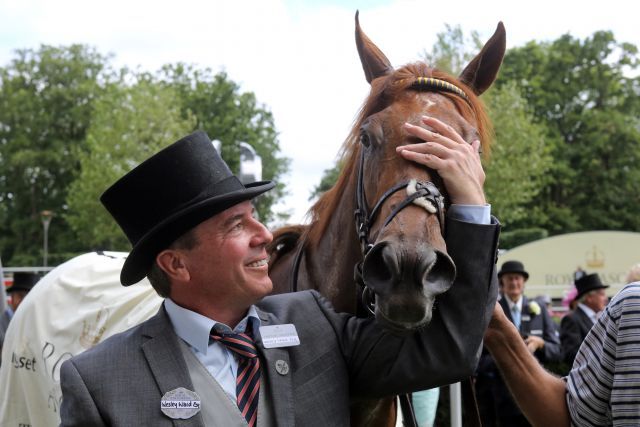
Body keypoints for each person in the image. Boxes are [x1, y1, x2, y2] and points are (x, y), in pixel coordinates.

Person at [59, 123, 500, 426]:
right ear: (175, 263)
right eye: (236, 225)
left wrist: (471, 207)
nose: (264, 235)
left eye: (255, 216)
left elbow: (450, 350)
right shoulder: (99, 381)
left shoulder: (312, 322)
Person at [475, 260, 561, 427]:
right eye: (510, 278)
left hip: (537, 393)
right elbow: (478, 358)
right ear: (502, 282)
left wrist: (540, 344)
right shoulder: (491, 310)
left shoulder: (539, 309)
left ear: (524, 282)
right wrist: (508, 353)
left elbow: (557, 350)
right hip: (499, 397)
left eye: (518, 278)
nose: (514, 282)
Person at [559, 273, 608, 365]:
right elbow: (571, 355)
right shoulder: (571, 319)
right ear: (589, 298)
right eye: (602, 294)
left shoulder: (600, 316)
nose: (605, 298)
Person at [0, 272, 39, 364]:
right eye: (21, 296)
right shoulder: (3, 322)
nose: (24, 301)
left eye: (29, 297)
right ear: (12, 297)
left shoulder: (39, 321)